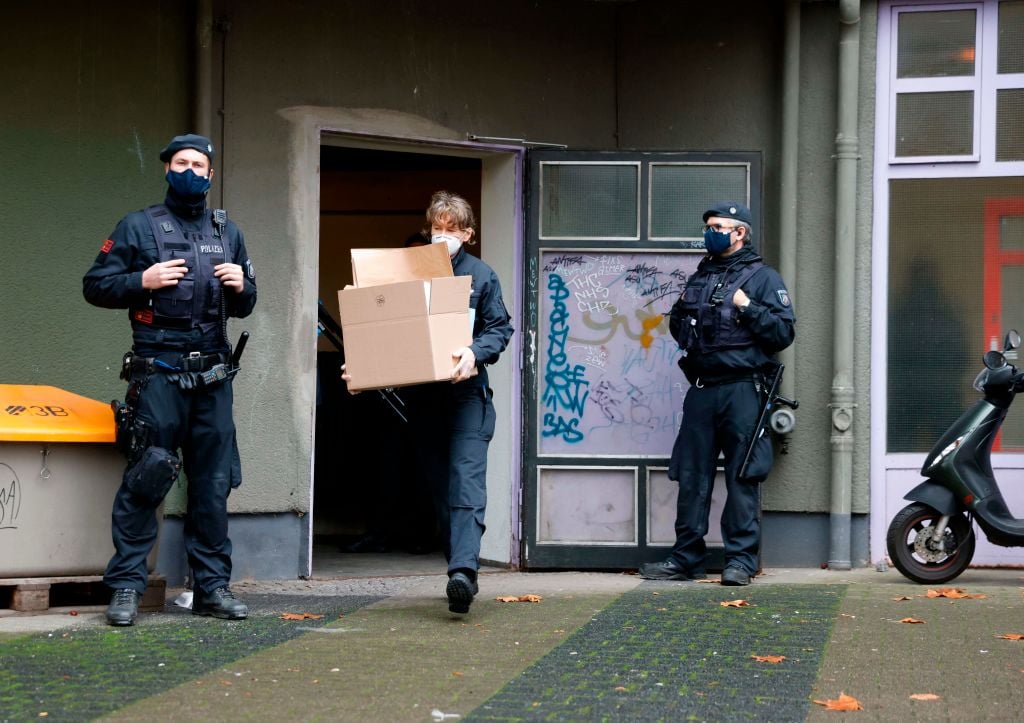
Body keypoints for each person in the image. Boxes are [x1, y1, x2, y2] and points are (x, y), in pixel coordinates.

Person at [83, 133, 257, 625]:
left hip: (214, 379)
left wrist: (244, 287)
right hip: (158, 375)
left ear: (210, 175)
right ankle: (125, 588)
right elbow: (95, 285)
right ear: (166, 169)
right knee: (148, 477)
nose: (189, 171)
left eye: (198, 164)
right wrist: (142, 281)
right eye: (180, 162)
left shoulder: (229, 232)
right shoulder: (138, 227)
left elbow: (247, 301)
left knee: (213, 485)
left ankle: (212, 588)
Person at [343, 191, 513, 613]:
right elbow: (383, 327)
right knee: (441, 490)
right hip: (424, 402)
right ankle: (459, 567)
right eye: (436, 228)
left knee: (465, 482)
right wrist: (363, 371)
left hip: (466, 398)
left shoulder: (481, 275)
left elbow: (500, 328)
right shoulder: (407, 273)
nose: (442, 236)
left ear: (467, 234)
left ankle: (463, 574)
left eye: (451, 229)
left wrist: (475, 352)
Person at [640, 201, 795, 586]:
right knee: (691, 475)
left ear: (739, 232)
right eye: (708, 225)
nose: (710, 231)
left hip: (743, 390)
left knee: (743, 477)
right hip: (702, 389)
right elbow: (680, 324)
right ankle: (686, 558)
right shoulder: (701, 276)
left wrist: (747, 307)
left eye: (718, 226)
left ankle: (740, 561)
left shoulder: (763, 278)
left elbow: (783, 333)